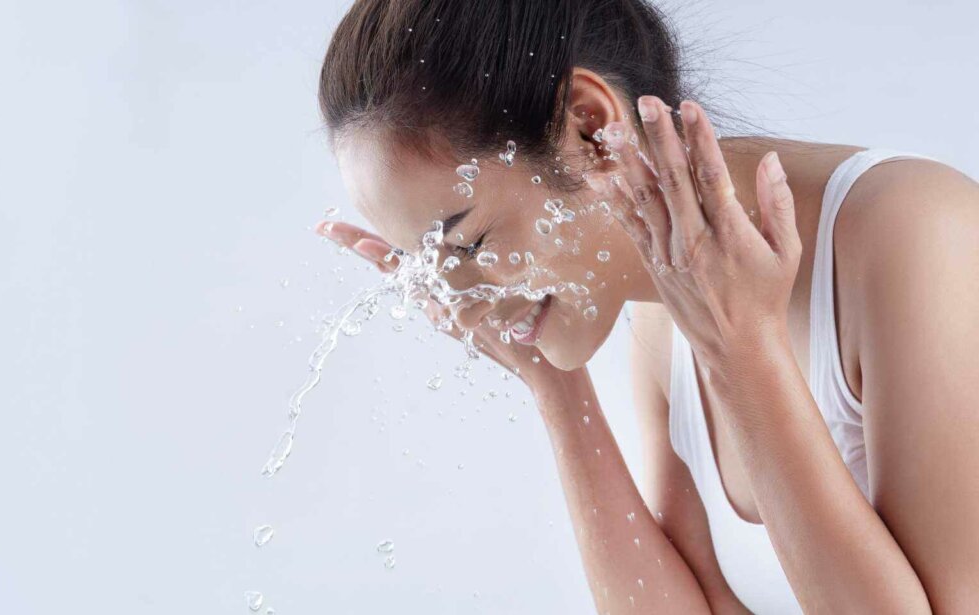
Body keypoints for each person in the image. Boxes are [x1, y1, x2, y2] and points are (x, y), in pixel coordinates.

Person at [313, 1, 979, 612]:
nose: (461, 299)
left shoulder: (914, 235)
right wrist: (553, 382)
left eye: (468, 243)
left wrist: (741, 350)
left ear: (589, 127)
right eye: (428, 266)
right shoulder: (665, 306)